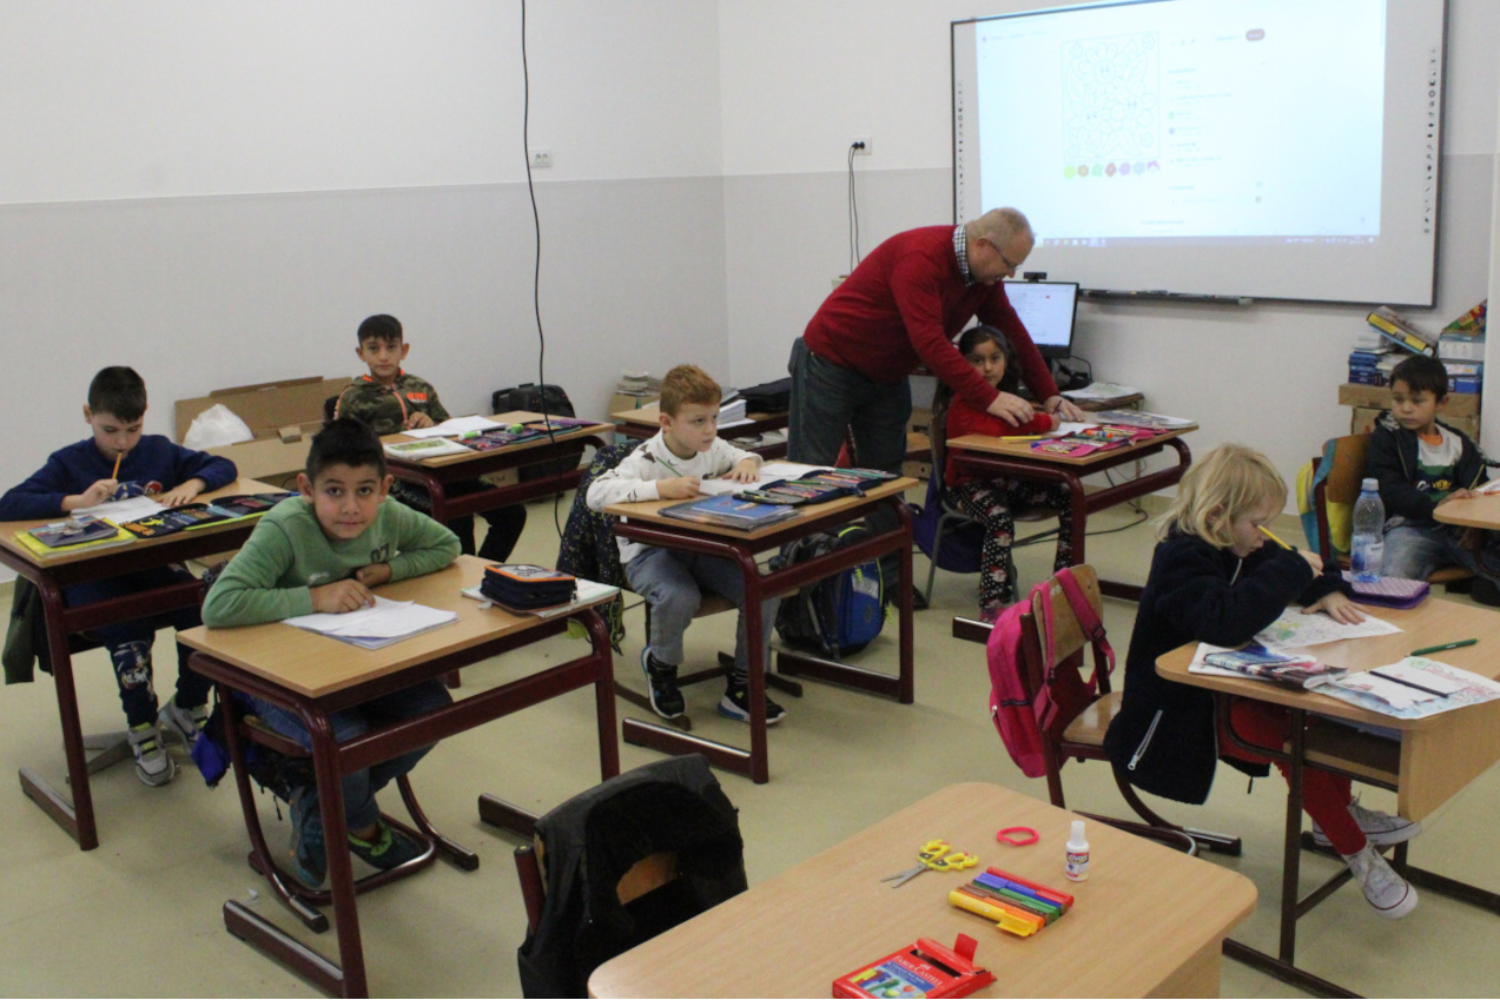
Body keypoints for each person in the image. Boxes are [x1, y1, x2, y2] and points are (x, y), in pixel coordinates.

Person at [1103, 444, 1420, 919]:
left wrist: (1328, 589)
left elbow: (1297, 560)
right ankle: (1356, 850)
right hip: (1176, 715)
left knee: (1313, 711)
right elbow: (1224, 622)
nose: (1265, 534)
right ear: (1217, 515)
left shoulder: (1237, 540)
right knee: (1290, 736)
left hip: (1222, 693)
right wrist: (1291, 571)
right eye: (1258, 523)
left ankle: (1341, 815)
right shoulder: (1181, 558)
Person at [202, 418, 461, 888]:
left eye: (364, 491)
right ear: (307, 488)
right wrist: (314, 598)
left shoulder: (388, 515)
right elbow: (219, 605)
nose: (351, 507)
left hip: (354, 665)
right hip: (273, 682)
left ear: (385, 488)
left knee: (433, 711)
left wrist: (390, 570)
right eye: (334, 491)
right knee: (344, 738)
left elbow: (447, 545)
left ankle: (318, 801)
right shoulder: (286, 527)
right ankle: (362, 826)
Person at [0, 366, 237, 786]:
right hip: (92, 579)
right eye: (110, 430)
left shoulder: (158, 450)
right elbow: (9, 504)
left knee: (203, 604)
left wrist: (195, 483)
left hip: (149, 568)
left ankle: (187, 706)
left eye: (133, 429)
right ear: (88, 414)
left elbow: (224, 465)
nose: (122, 442)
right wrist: (76, 501)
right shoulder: (69, 462)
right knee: (129, 625)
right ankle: (142, 728)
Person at [789, 207, 1085, 476]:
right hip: (831, 361)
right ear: (982, 245)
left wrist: (1049, 394)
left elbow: (1012, 332)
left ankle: (883, 523)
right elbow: (929, 342)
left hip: (887, 374)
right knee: (810, 472)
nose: (1010, 274)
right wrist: (989, 397)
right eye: (1009, 263)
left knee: (885, 475)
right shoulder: (921, 257)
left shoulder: (984, 279)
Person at [586, 365, 782, 725]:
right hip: (648, 553)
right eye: (698, 421)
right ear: (667, 422)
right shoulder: (647, 457)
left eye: (714, 418)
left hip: (699, 548)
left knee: (763, 590)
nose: (710, 429)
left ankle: (744, 686)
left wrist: (748, 462)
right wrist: (659, 489)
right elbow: (595, 494)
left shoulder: (710, 446)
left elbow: (741, 455)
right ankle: (661, 665)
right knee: (679, 596)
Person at [334, 313, 527, 563]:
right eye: (373, 348)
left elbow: (449, 429)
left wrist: (431, 423)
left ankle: (481, 569)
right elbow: (342, 447)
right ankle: (466, 573)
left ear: (403, 350)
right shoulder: (354, 396)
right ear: (361, 353)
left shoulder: (420, 387)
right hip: (400, 481)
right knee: (455, 513)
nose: (383, 356)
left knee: (512, 513)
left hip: (444, 473)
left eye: (391, 347)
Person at [936, 325, 1071, 619]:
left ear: (1005, 361)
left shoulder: (1004, 396)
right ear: (962, 365)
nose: (987, 368)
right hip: (968, 486)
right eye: (977, 360)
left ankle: (1062, 585)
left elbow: (1013, 424)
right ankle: (991, 606)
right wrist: (1046, 422)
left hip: (1005, 482)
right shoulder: (962, 402)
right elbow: (998, 428)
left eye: (994, 358)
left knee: (1069, 496)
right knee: (999, 519)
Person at [1366, 353, 1500, 603]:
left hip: (1458, 531)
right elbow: (1389, 489)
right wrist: (1437, 507)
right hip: (1409, 528)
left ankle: (1483, 588)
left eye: (1417, 401)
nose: (1406, 408)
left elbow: (1478, 488)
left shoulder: (1459, 442)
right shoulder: (1387, 438)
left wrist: (1474, 525)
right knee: (1394, 579)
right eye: (1398, 399)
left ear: (1442, 402)